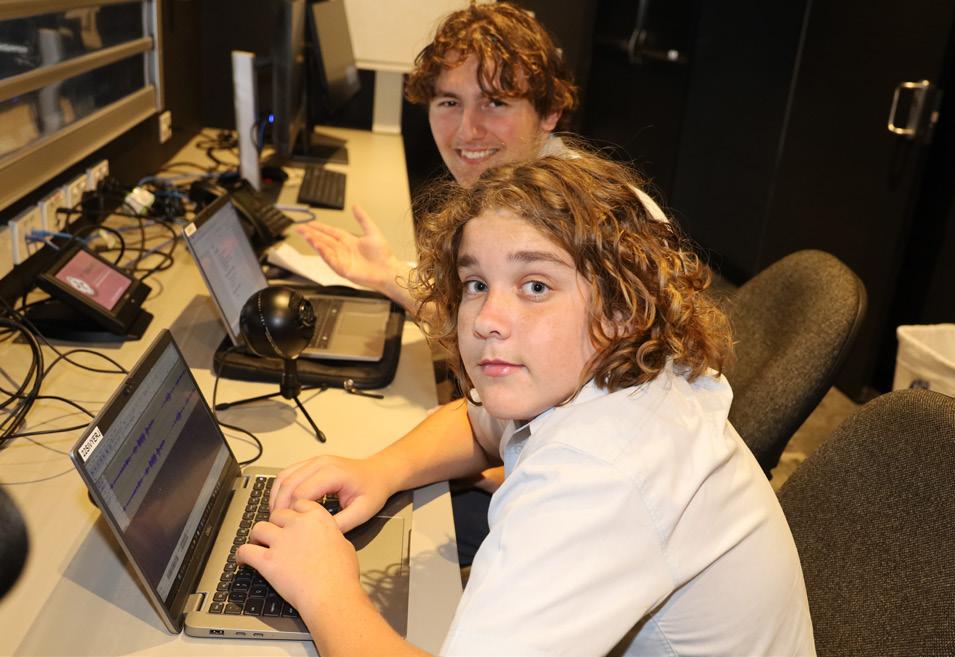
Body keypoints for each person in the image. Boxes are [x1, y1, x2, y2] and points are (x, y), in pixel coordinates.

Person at [237, 153, 816, 656]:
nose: (487, 320)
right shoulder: (617, 367)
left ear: (621, 308)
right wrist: (379, 470)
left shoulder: (597, 475)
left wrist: (325, 589)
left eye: (535, 286)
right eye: (476, 284)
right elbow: (482, 424)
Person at [295, 1, 665, 318]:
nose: (467, 130)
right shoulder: (511, 194)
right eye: (449, 102)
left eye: (495, 103)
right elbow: (483, 327)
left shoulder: (582, 215)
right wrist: (386, 274)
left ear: (550, 111)